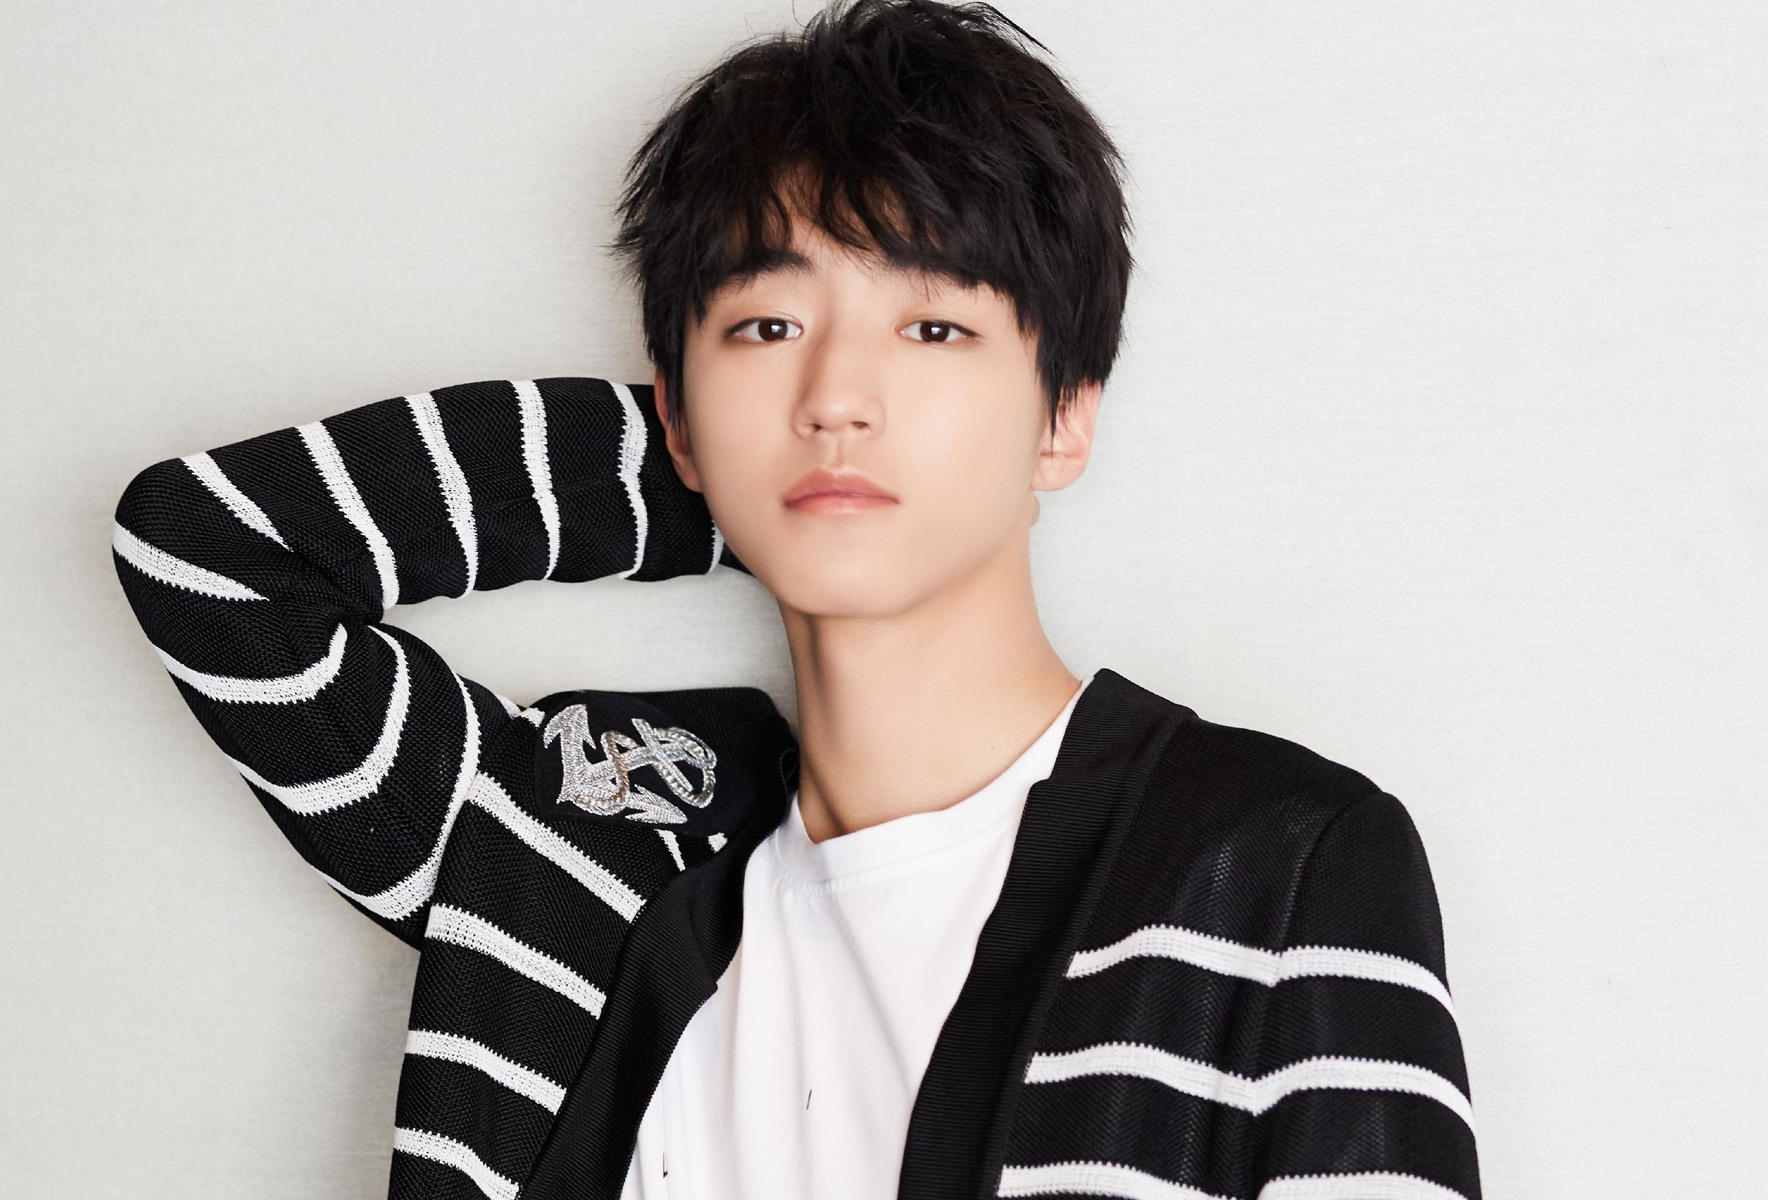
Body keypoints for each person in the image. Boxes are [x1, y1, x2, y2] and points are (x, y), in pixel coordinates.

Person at [110, 2, 1480, 1198]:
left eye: (933, 327)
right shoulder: (579, 837)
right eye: (768, 327)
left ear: (1065, 415)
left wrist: (820, 488)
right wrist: (724, 482)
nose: (835, 397)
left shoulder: (1278, 867)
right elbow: (207, 552)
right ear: (680, 408)